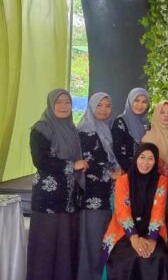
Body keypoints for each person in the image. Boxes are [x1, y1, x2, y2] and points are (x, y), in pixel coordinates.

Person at [27, 89, 89, 280]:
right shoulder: (41, 129)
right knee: (45, 247)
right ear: (50, 104)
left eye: (67, 102)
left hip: (69, 198)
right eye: (58, 102)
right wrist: (72, 165)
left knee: (65, 247)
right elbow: (40, 161)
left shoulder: (71, 129)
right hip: (48, 200)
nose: (63, 106)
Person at [101, 143, 168, 280]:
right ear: (136, 158)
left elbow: (158, 211)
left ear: (155, 161)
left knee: (158, 257)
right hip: (124, 233)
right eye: (142, 157)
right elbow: (123, 212)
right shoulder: (123, 181)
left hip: (152, 231)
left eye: (150, 158)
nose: (145, 163)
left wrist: (152, 240)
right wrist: (134, 238)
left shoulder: (161, 181)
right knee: (127, 259)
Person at [77, 92, 123, 280]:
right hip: (93, 195)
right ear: (91, 107)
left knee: (106, 237)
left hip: (108, 193)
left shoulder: (106, 129)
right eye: (99, 105)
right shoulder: (85, 131)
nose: (104, 110)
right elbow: (87, 162)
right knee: (94, 240)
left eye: (107, 105)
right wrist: (111, 174)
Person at [112, 88, 150, 171]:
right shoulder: (120, 122)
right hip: (127, 172)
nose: (140, 105)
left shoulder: (146, 124)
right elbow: (118, 154)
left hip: (145, 170)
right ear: (130, 101)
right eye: (136, 100)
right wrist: (135, 171)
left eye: (144, 102)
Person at [143, 100, 168, 192]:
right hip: (155, 182)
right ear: (157, 115)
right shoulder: (149, 136)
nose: (166, 115)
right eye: (162, 112)